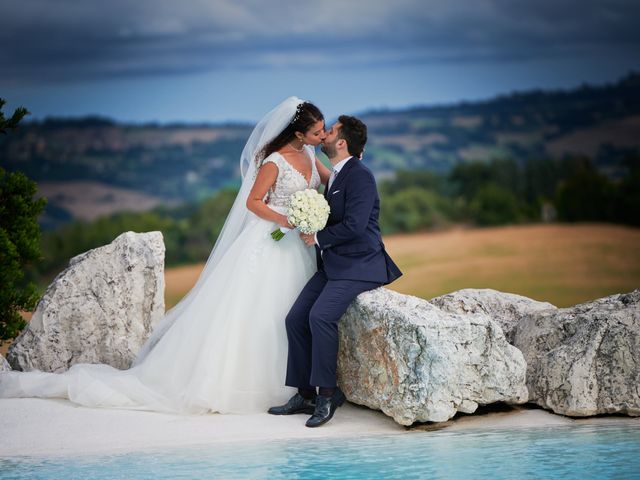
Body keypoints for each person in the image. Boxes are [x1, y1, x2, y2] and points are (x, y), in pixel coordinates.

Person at [0, 97, 333, 414]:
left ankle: (302, 385)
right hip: (271, 239)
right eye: (317, 131)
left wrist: (322, 201)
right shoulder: (273, 161)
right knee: (261, 310)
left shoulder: (309, 154)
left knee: (291, 309)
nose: (322, 135)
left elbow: (330, 179)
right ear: (298, 132)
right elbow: (254, 203)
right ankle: (267, 386)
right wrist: (286, 218)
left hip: (298, 245)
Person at [268, 115, 402, 427]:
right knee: (295, 318)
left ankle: (327, 395)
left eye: (330, 132)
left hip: (361, 264)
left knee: (320, 317)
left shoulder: (360, 176)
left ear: (341, 143)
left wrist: (317, 236)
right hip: (334, 264)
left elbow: (355, 226)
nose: (324, 134)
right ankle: (305, 394)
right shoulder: (338, 174)